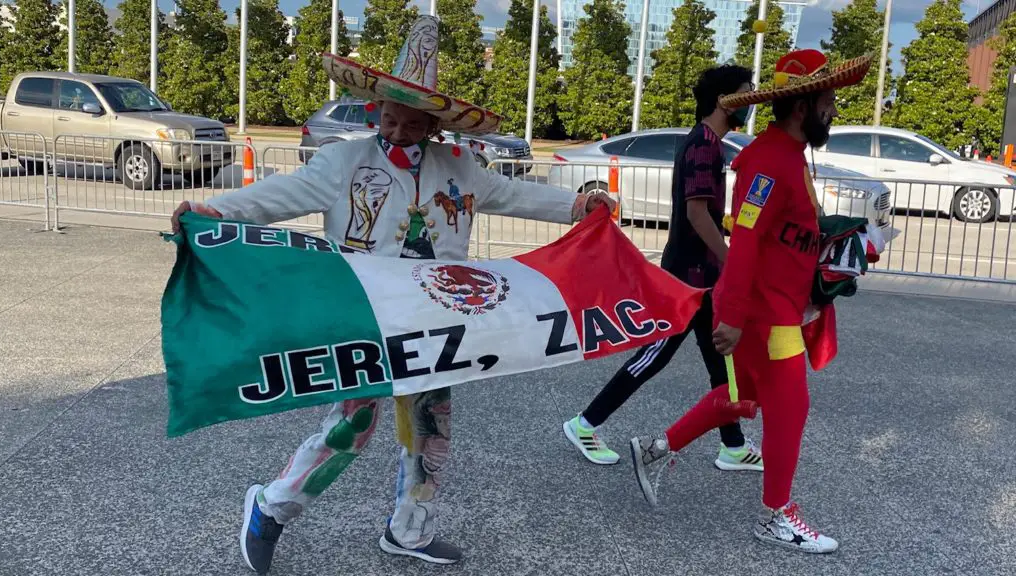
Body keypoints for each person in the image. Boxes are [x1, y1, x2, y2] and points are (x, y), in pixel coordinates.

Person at [169, 16, 615, 574]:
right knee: (353, 425)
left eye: (411, 123)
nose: (397, 131)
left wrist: (580, 205)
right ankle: (270, 507)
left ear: (433, 125)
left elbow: (514, 193)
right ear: (376, 109)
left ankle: (409, 529)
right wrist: (214, 210)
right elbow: (281, 195)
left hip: (438, 319)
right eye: (389, 117)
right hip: (362, 315)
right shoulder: (344, 160)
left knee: (432, 428)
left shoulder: (460, 166)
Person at [627, 49, 872, 554]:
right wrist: (732, 316)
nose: (834, 108)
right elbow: (746, 244)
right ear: (802, 105)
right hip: (765, 315)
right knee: (791, 408)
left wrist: (836, 250)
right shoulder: (768, 160)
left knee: (746, 400)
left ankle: (655, 451)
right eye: (827, 99)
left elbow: (782, 236)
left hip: (777, 309)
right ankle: (776, 515)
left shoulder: (785, 154)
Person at [562, 64, 764, 472]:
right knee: (655, 355)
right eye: (746, 92)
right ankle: (585, 423)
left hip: (702, 276)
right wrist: (732, 262)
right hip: (688, 276)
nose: (752, 99)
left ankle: (733, 445)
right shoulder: (704, 145)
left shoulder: (706, 142)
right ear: (725, 99)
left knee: (721, 359)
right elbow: (695, 213)